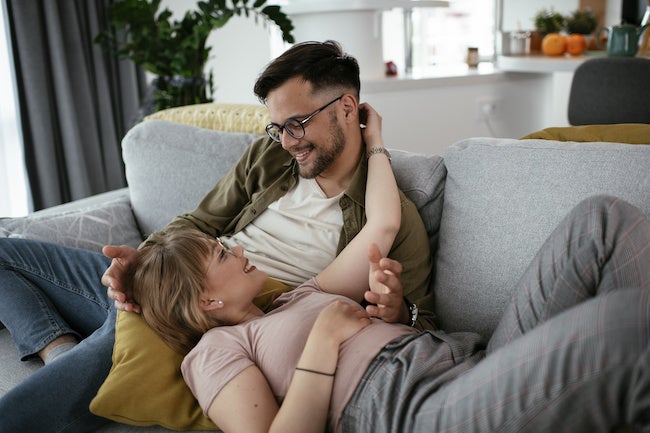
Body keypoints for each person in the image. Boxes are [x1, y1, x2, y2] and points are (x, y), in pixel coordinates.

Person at [0, 40, 433, 433]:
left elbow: (423, 322)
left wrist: (395, 309)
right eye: (278, 127)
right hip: (185, 267)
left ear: (346, 108)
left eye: (297, 124)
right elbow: (200, 222)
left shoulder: (392, 214)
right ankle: (56, 345)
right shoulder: (271, 156)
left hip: (231, 299)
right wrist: (145, 260)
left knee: (119, 342)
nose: (286, 142)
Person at [135, 195, 650, 433]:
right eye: (222, 254)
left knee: (600, 221)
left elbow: (379, 229)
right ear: (207, 301)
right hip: (415, 415)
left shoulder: (295, 294)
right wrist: (322, 344)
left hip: (467, 363)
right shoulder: (215, 351)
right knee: (625, 324)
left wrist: (394, 303)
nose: (236, 248)